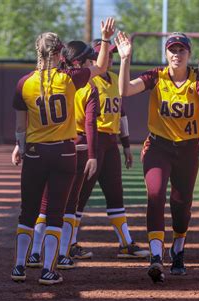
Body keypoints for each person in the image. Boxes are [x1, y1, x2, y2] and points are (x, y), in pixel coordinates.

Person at [10, 18, 115, 285]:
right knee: (56, 213)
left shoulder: (24, 83)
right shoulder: (69, 78)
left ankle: (20, 266)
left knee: (28, 211)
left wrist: (21, 149)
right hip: (65, 154)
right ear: (59, 54)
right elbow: (101, 66)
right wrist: (104, 38)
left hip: (35, 153)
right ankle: (48, 270)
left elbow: (21, 128)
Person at [115, 31, 199, 283]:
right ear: (166, 53)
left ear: (189, 54)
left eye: (181, 50)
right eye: (172, 49)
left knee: (181, 204)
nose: (176, 54)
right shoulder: (156, 75)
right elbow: (125, 90)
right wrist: (125, 59)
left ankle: (178, 249)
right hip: (158, 147)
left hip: (187, 149)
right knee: (155, 194)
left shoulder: (196, 78)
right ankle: (155, 257)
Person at [26, 40, 101, 271]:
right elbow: (90, 123)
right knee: (69, 205)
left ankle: (33, 253)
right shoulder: (82, 84)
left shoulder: (44, 82)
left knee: (43, 204)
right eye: (90, 61)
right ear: (79, 63)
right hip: (73, 149)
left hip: (44, 146)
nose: (93, 64)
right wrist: (92, 153)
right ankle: (62, 253)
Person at [71, 39, 150, 259]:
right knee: (80, 194)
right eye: (105, 54)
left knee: (115, 193)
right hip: (89, 141)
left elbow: (121, 113)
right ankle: (70, 242)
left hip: (110, 143)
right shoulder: (87, 81)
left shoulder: (115, 79)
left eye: (113, 54)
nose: (111, 58)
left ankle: (126, 244)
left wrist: (126, 144)